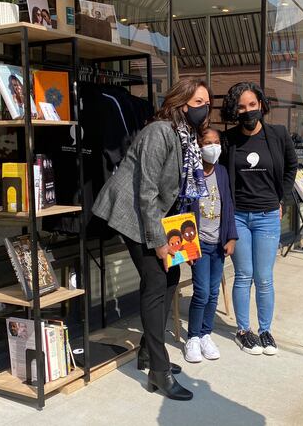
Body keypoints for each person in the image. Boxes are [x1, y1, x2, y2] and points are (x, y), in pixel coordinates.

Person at [92, 78, 211, 401]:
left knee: (171, 274)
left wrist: (186, 242)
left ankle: (147, 351)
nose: (205, 109)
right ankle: (158, 371)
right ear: (181, 103)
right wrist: (159, 241)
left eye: (207, 103)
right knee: (156, 281)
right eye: (199, 102)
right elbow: (146, 190)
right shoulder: (159, 132)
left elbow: (178, 196)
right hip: (132, 213)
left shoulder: (185, 136)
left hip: (159, 214)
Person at [220, 81, 297, 356]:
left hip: (267, 215)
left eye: (252, 105)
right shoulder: (228, 140)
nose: (248, 111)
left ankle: (265, 330)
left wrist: (282, 198)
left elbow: (291, 166)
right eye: (241, 107)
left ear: (261, 105)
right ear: (235, 110)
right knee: (244, 275)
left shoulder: (278, 135)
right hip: (238, 216)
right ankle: (244, 331)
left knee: (264, 278)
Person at [184, 127, 238, 363]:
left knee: (214, 292)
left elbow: (229, 205)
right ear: (198, 144)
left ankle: (206, 334)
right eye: (208, 142)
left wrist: (232, 237)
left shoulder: (223, 173)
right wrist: (187, 247)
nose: (213, 147)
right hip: (199, 244)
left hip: (219, 244)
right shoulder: (191, 173)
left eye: (216, 142)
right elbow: (184, 209)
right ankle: (193, 338)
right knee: (202, 292)